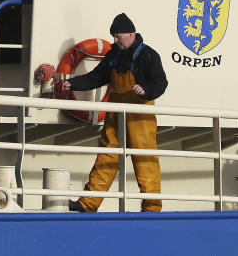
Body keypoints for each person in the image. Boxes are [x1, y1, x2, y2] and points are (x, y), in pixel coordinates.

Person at [58, 13, 168, 212]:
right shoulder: (113, 55)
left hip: (139, 115)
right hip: (115, 113)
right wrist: (72, 83)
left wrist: (146, 91)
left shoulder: (149, 55)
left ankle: (152, 207)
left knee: (144, 159)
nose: (115, 41)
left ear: (131, 34)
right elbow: (95, 77)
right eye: (114, 37)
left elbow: (160, 82)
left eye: (118, 36)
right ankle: (88, 204)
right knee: (107, 156)